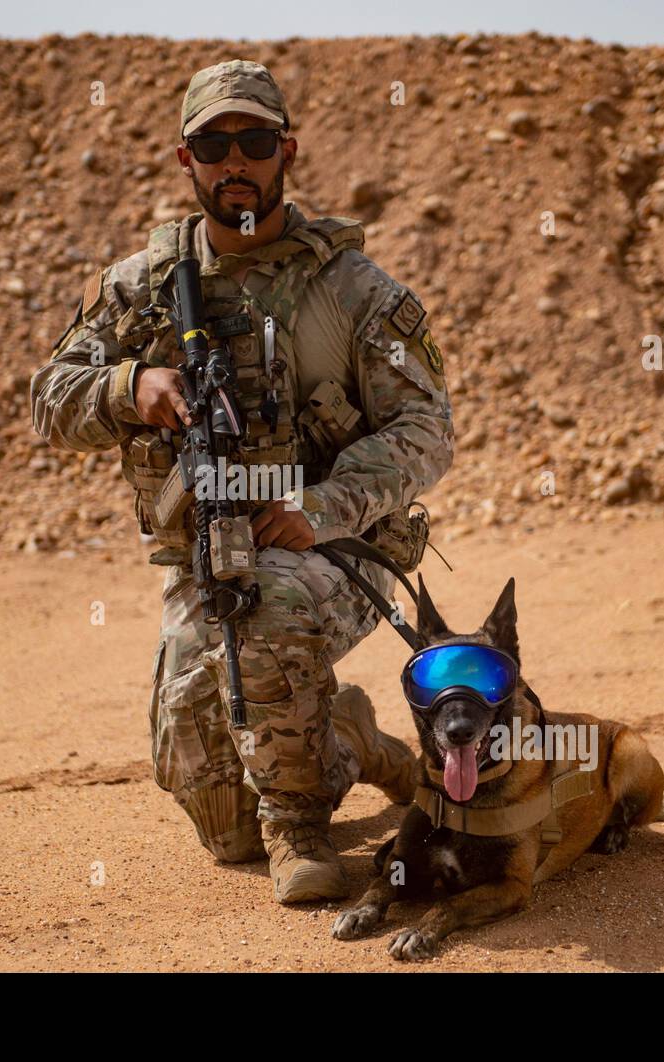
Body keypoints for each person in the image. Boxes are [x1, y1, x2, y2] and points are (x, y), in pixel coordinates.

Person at [30, 59, 454, 903]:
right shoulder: (141, 289)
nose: (236, 162)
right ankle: (351, 738)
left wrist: (322, 506)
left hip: (337, 549)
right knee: (221, 820)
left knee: (269, 605)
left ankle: (296, 826)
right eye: (213, 144)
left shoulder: (352, 289)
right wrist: (129, 388)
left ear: (285, 149)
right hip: (207, 556)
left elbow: (427, 427)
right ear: (185, 160)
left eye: (254, 141)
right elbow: (48, 400)